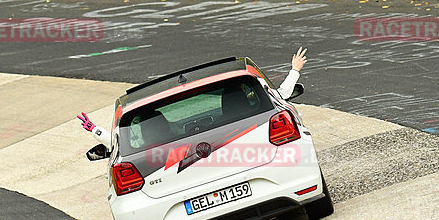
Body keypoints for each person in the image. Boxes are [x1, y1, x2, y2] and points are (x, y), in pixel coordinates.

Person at [77, 47, 308, 146]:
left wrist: (97, 131)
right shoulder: (263, 119)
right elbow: (281, 95)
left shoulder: (149, 149)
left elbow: (120, 146)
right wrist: (294, 70)